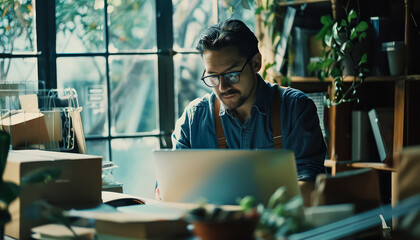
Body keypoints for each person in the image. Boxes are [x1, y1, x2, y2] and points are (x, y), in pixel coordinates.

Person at [161, 19, 326, 205]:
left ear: (256, 63)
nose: (223, 87)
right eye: (213, 77)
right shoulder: (194, 119)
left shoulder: (296, 108)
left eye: (232, 74)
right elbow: (168, 189)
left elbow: (310, 186)